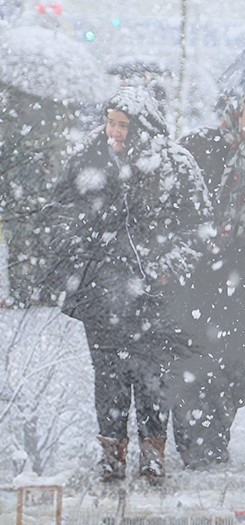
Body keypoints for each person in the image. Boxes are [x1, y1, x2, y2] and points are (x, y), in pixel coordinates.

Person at [44, 86, 211, 483]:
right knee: (109, 379)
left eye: (122, 125)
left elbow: (199, 227)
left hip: (156, 293)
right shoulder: (89, 159)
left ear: (142, 127)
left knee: (154, 377)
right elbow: (60, 213)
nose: (113, 132)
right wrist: (80, 252)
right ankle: (111, 454)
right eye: (110, 122)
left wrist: (168, 267)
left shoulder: (176, 164)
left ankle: (153, 453)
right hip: (102, 292)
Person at [171, 91, 245, 468]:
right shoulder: (199, 146)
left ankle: (217, 439)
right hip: (199, 272)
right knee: (193, 357)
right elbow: (171, 202)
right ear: (236, 110)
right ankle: (192, 444)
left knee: (233, 361)